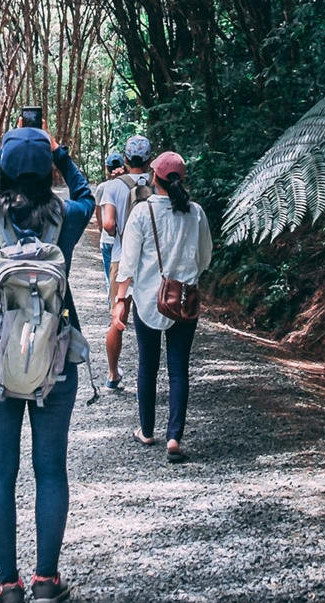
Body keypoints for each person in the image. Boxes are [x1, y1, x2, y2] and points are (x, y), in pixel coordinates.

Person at [0, 123, 94, 603]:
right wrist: (63, 156)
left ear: (6, 168)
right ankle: (45, 580)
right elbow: (85, 193)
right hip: (55, 365)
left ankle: (8, 586)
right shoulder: (69, 218)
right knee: (50, 470)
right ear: (48, 170)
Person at [111, 151, 212, 463]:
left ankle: (146, 429)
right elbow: (205, 257)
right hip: (184, 300)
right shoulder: (195, 212)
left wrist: (120, 300)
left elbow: (127, 263)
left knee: (148, 365)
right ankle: (174, 438)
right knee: (179, 368)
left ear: (154, 178)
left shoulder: (142, 213)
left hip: (148, 299)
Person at [100, 135, 152, 390]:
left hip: (122, 260)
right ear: (149, 159)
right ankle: (148, 376)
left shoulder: (114, 186)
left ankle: (112, 373)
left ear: (127, 158)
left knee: (118, 318)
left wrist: (118, 234)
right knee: (150, 320)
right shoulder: (158, 182)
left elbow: (108, 223)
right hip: (152, 262)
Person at [93, 153, 126, 300]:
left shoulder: (102, 188)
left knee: (109, 275)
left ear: (107, 168)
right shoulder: (128, 186)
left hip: (107, 239)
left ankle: (112, 306)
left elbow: (98, 210)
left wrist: (101, 228)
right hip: (124, 239)